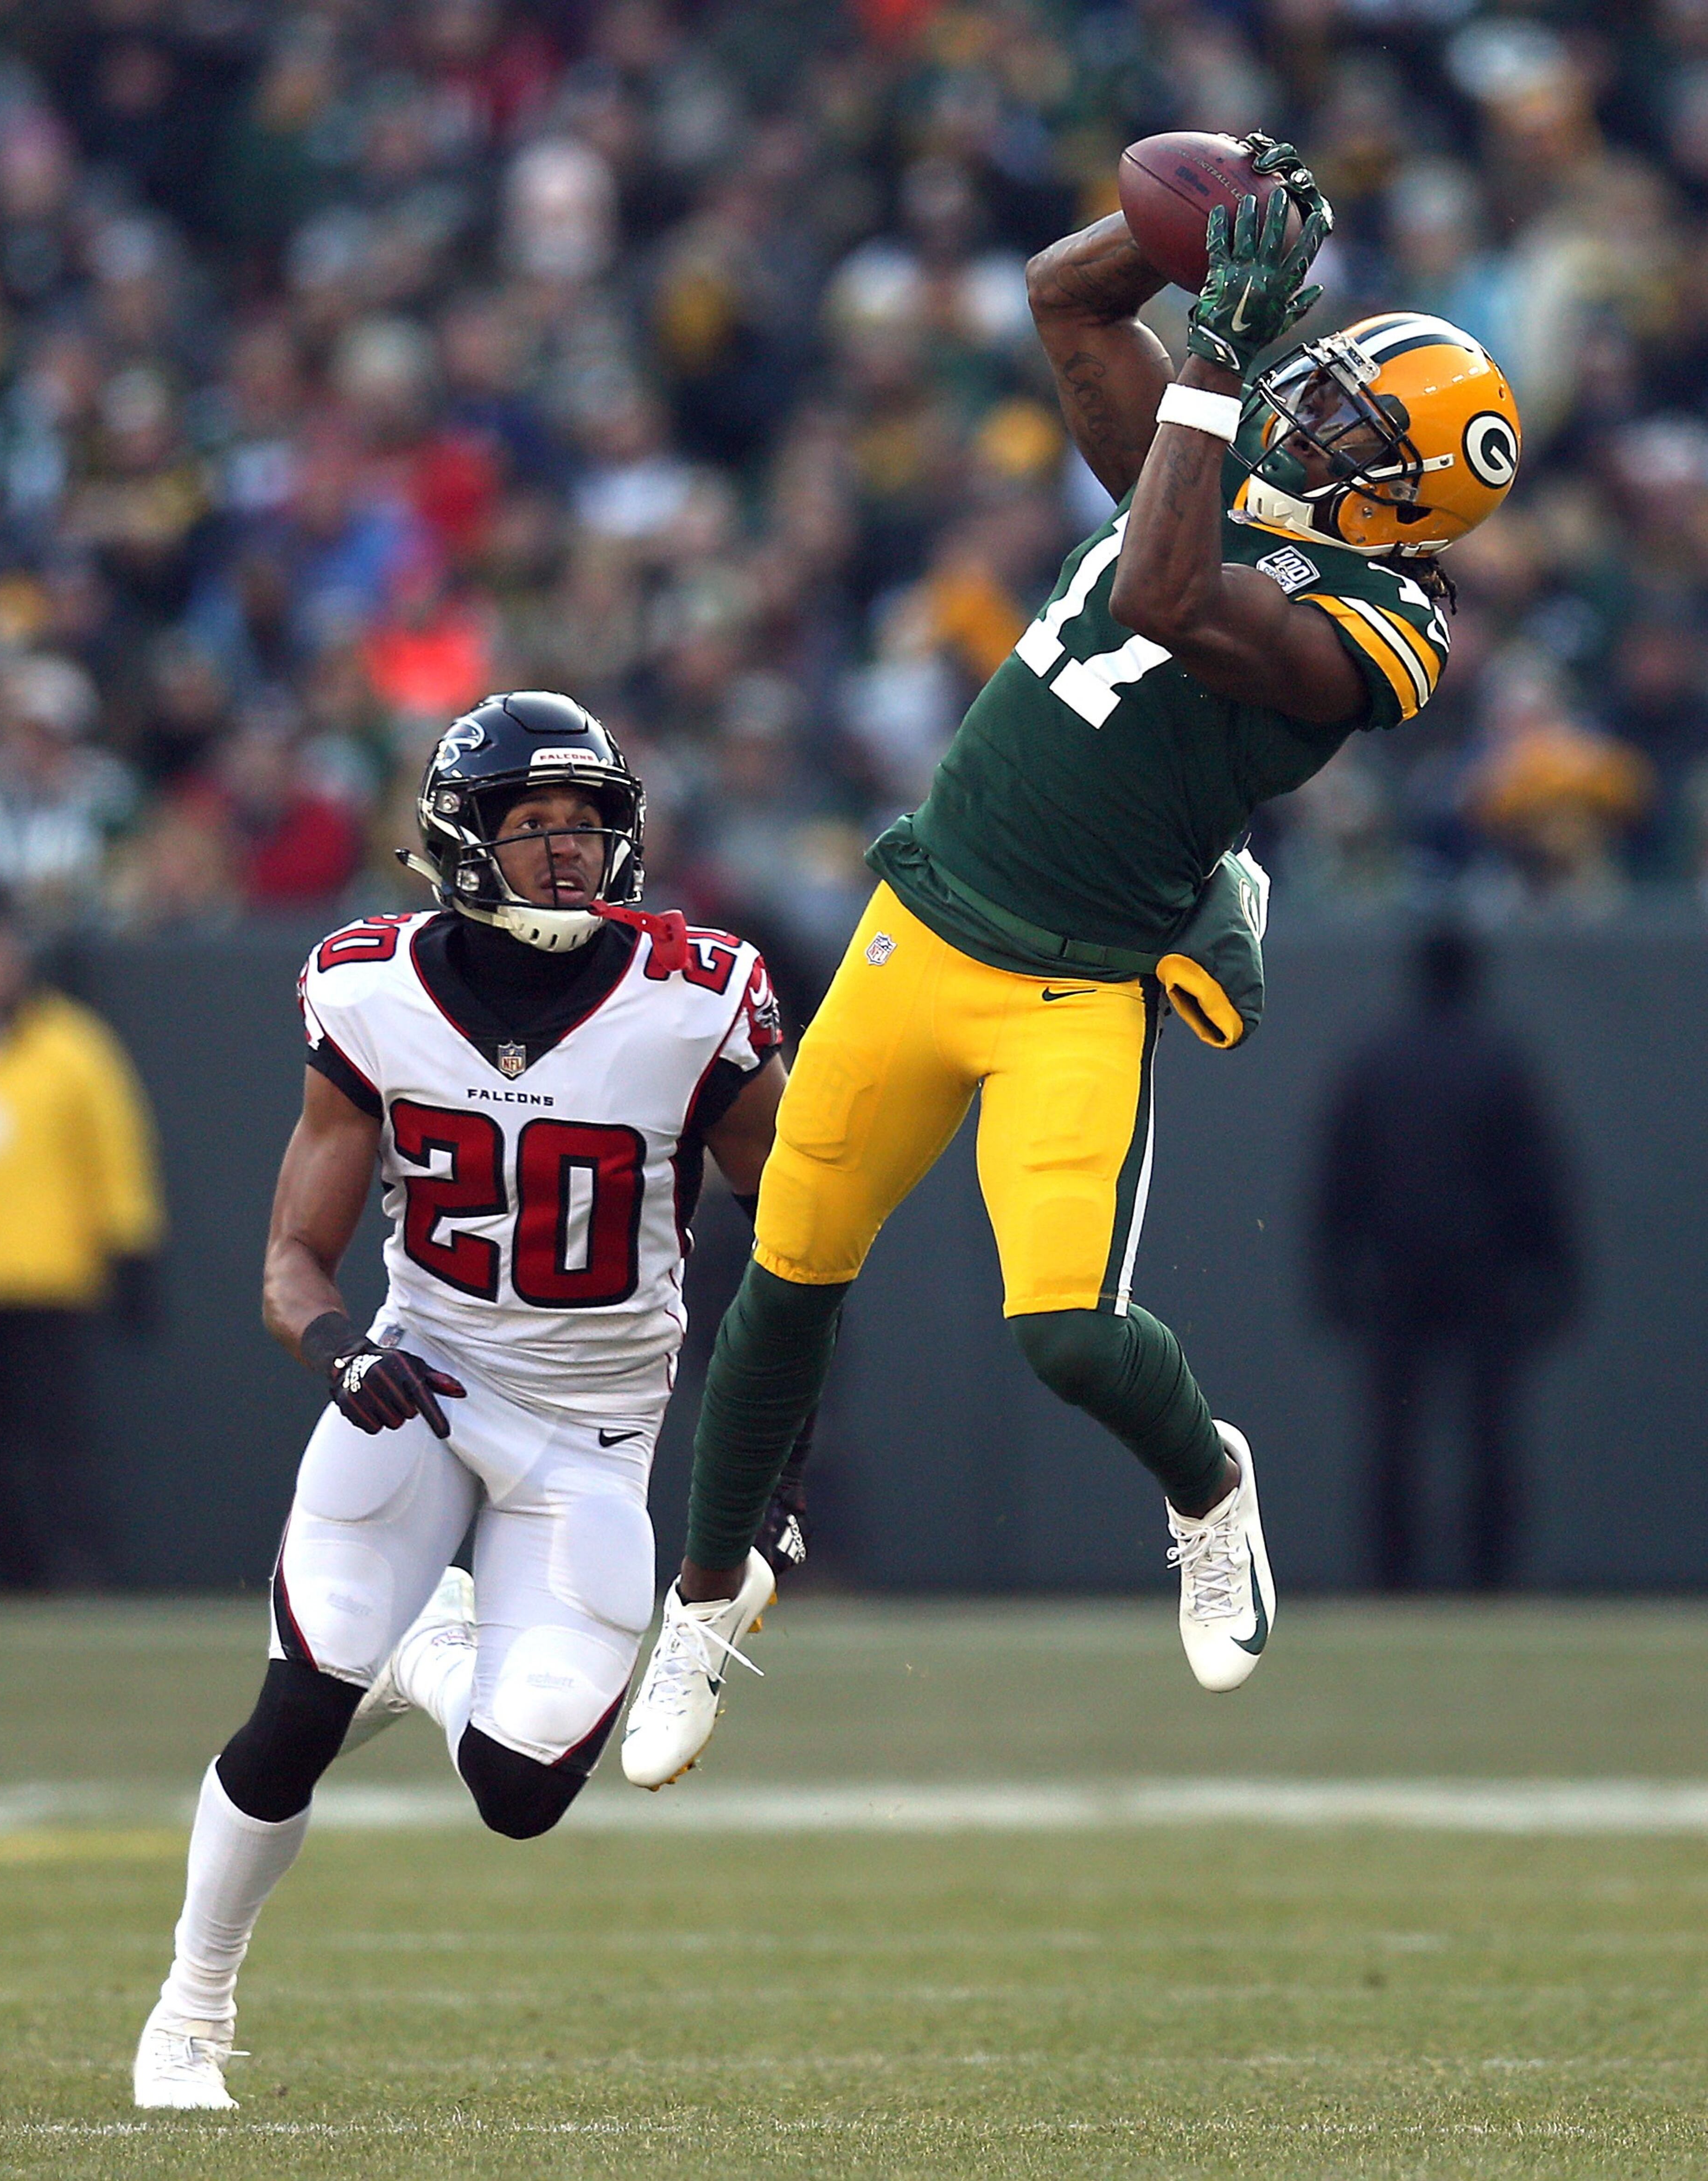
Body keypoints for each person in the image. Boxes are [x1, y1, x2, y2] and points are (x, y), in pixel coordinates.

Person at [621, 134, 1523, 1790]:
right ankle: (706, 1592)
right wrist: (1202, 231)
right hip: (924, 914)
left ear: (1411, 503)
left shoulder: (1385, 631)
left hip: (1076, 980)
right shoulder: (1218, 448)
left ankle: (1209, 1489)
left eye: (1349, 429)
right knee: (785, 1273)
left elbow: (1172, 594)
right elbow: (1062, 298)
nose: (1306, 417)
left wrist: (1221, 356)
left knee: (1067, 1335)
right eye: (1317, 389)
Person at [134, 691, 798, 2110]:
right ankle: (191, 2011)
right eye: (532, 822)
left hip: (595, 1432)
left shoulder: (698, 996)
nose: (566, 848)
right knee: (298, 1711)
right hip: (424, 1389)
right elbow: (292, 1263)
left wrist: (772, 1473)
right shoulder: (370, 988)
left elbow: (804, 1251)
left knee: (522, 1793)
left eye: (586, 822)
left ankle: (432, 1651)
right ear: (459, 840)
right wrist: (338, 1353)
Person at [1311, 924, 1581, 1589]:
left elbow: (1340, 1180)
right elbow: (1537, 1180)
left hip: (1395, 1272)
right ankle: (1490, 1577)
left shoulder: (1378, 1063)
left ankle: (1392, 1577)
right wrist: (1556, 1274)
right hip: (1483, 1270)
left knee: (1393, 1436)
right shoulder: (1501, 1062)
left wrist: (1333, 1275)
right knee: (1491, 1432)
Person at [0, 907, 163, 1589]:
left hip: (48, 1279)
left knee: (56, 1438)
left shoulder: (72, 1048)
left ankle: (75, 1571)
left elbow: (115, 1151)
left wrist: (131, 1245)